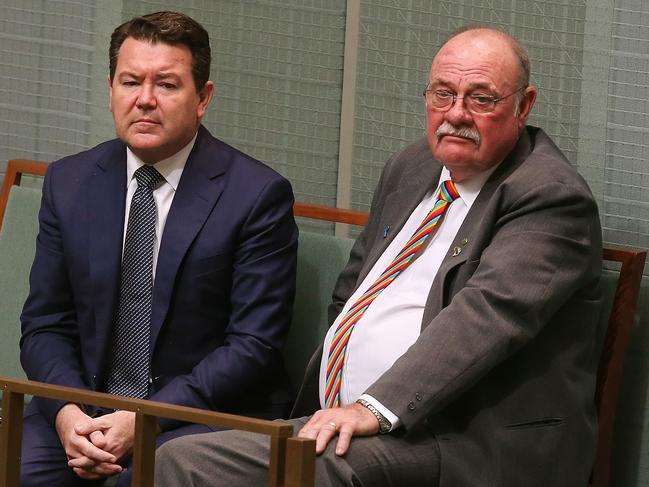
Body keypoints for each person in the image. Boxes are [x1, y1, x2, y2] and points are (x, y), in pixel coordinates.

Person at [154, 26, 603, 487]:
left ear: (523, 105)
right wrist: (341, 402)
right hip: (347, 420)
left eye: (481, 99)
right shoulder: (412, 167)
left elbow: (485, 318)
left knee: (304, 473)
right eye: (443, 94)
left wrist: (374, 406)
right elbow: (353, 290)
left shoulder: (548, 195)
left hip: (461, 440)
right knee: (177, 457)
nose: (456, 114)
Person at [19, 10, 298, 487]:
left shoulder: (256, 195)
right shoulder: (70, 182)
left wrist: (143, 419)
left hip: (196, 417)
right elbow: (45, 324)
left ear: (203, 98)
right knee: (19, 471)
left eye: (166, 85)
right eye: (131, 82)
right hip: (85, 411)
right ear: (111, 90)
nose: (145, 100)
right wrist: (68, 413)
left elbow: (253, 346)